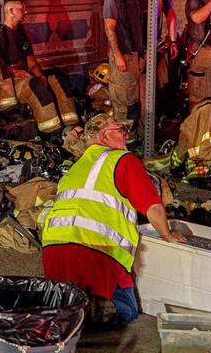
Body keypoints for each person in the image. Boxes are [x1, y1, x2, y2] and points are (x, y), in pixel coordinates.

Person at [41, 113, 185, 329]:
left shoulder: (75, 168)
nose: (126, 137)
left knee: (66, 313)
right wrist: (168, 235)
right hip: (96, 253)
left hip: (54, 253)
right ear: (104, 136)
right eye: (121, 130)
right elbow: (152, 206)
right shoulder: (123, 160)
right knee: (125, 314)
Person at [0, 0, 81, 135]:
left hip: (25, 77)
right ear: (11, 11)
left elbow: (32, 63)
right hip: (9, 83)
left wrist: (41, 76)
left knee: (56, 78)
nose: (26, 12)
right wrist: (13, 71)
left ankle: (71, 126)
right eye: (22, 9)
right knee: (35, 85)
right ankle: (52, 131)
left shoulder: (22, 35)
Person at [101, 0, 177, 123]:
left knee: (141, 99)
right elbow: (110, 28)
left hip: (139, 55)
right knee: (125, 100)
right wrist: (118, 55)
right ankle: (122, 139)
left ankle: (140, 138)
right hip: (124, 54)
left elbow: (154, 16)